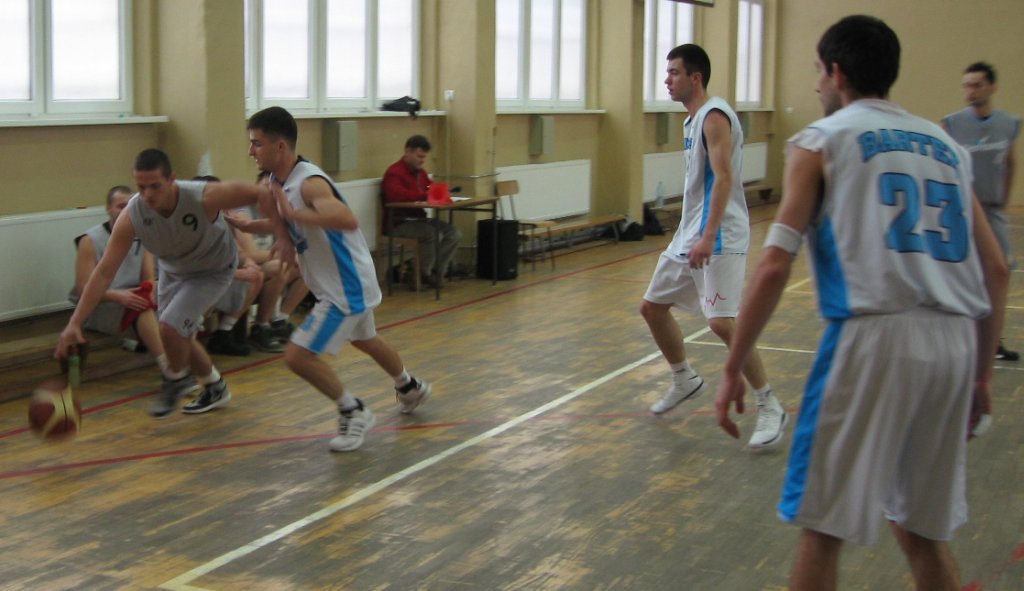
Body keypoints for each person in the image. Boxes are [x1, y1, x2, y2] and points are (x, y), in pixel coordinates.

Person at [714, 15, 1008, 591]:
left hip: (871, 339)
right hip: (953, 344)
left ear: (837, 73)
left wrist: (732, 366)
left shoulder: (822, 140)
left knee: (822, 530)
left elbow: (774, 265)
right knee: (922, 532)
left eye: (818, 73)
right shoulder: (948, 147)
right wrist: (981, 376)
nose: (815, 85)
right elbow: (996, 268)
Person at [247, 106, 431, 452]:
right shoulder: (277, 181)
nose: (250, 151)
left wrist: (292, 214)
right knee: (366, 340)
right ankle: (409, 387)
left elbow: (347, 219)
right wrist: (247, 225)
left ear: (280, 146)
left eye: (256, 143)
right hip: (339, 283)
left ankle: (353, 410)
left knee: (297, 356)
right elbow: (286, 220)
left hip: (346, 285)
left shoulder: (309, 182)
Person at [57, 149, 286, 418]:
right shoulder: (133, 214)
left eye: (155, 186)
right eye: (141, 187)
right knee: (177, 335)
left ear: (172, 179)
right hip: (174, 271)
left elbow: (263, 193)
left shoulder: (203, 195)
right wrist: (74, 322)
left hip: (212, 270)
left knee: (170, 326)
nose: (148, 195)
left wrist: (282, 232)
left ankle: (176, 378)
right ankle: (214, 387)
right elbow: (104, 273)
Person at [640, 43, 786, 449]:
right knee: (652, 308)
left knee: (721, 323)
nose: (667, 80)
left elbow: (723, 178)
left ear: (695, 77)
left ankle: (770, 404)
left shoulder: (714, 116)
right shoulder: (693, 120)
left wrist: (708, 235)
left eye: (673, 72)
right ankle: (684, 378)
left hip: (718, 235)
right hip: (689, 233)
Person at [943, 61, 1021, 361]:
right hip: (961, 212)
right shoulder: (951, 125)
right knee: (960, 275)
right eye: (966, 86)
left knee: (998, 272)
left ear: (992, 87)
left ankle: (993, 341)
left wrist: (1003, 198)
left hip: (991, 210)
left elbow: (1010, 162)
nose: (970, 91)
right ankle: (958, 339)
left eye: (976, 85)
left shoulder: (1008, 123)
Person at [71, 185, 168, 366]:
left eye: (130, 206)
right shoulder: (90, 240)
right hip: (102, 304)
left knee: (177, 295)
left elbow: (148, 278)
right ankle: (168, 365)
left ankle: (180, 356)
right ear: (108, 208)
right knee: (143, 309)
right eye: (121, 206)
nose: (126, 211)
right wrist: (118, 296)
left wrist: (148, 291)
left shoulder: (142, 235)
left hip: (133, 297)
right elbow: (82, 290)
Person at [381, 135, 462, 286]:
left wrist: (441, 193)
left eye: (424, 157)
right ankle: (422, 273)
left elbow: (430, 187)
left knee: (453, 233)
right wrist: (424, 195)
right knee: (432, 234)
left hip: (419, 219)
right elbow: (396, 196)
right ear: (408, 152)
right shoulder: (394, 173)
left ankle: (436, 271)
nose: (422, 160)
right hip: (398, 222)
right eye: (419, 156)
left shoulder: (421, 173)